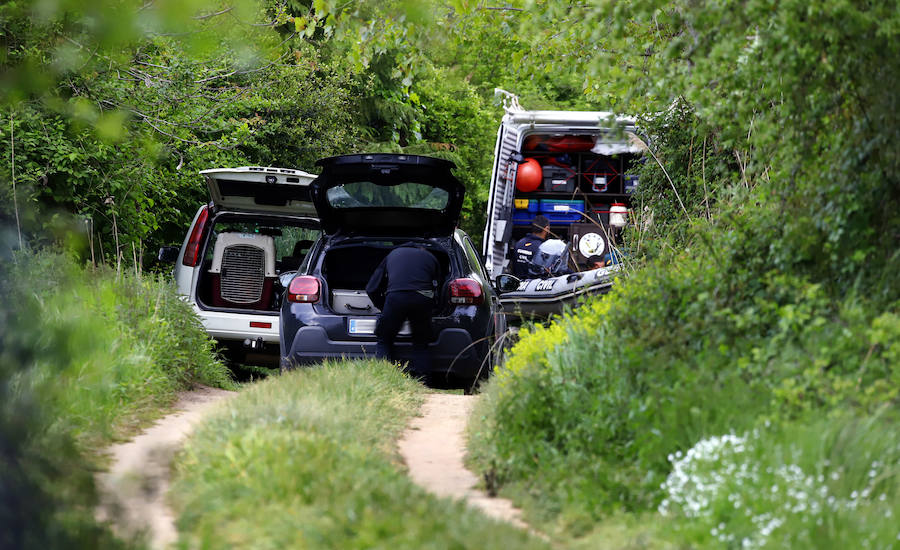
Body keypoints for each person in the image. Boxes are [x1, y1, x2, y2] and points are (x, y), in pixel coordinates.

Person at [365, 243, 440, 384]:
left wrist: (384, 308)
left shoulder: (392, 255)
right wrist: (434, 308)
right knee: (420, 342)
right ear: (421, 249)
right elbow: (438, 287)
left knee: (384, 339)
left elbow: (371, 288)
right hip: (422, 299)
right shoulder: (431, 257)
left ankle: (383, 379)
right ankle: (423, 382)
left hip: (396, 298)